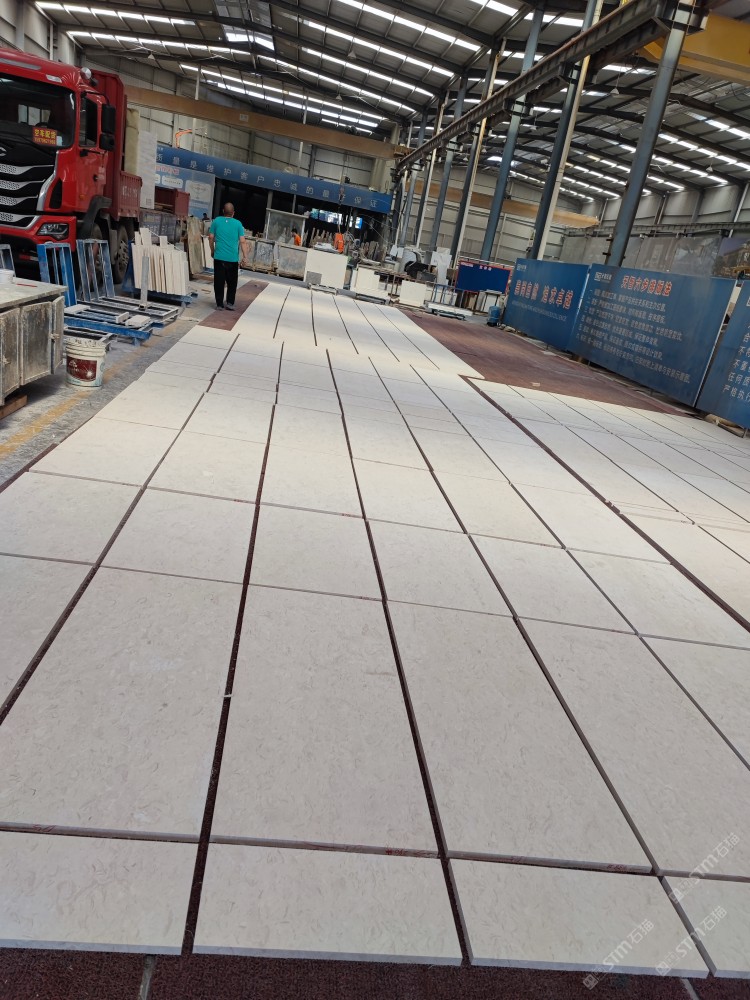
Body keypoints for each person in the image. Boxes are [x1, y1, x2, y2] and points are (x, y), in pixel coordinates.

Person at [208, 203, 248, 311]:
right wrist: (245, 257)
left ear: (223, 211)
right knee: (232, 282)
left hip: (219, 256)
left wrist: (212, 250)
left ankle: (219, 304)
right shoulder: (238, 224)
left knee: (219, 281)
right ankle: (230, 303)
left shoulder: (216, 221)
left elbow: (211, 237)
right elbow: (242, 241)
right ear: (233, 213)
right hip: (232, 259)